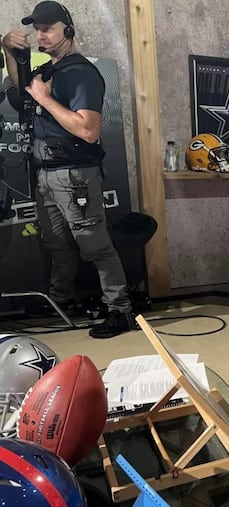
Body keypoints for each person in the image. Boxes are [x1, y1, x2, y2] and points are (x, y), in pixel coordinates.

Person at [2, 1, 135, 339]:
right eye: (37, 28)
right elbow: (20, 89)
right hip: (47, 173)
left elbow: (88, 130)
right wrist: (7, 50)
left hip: (75, 175)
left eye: (48, 28)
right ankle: (62, 301)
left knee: (95, 245)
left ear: (68, 29)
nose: (40, 34)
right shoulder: (49, 69)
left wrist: (46, 100)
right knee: (57, 243)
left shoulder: (80, 73)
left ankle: (120, 310)